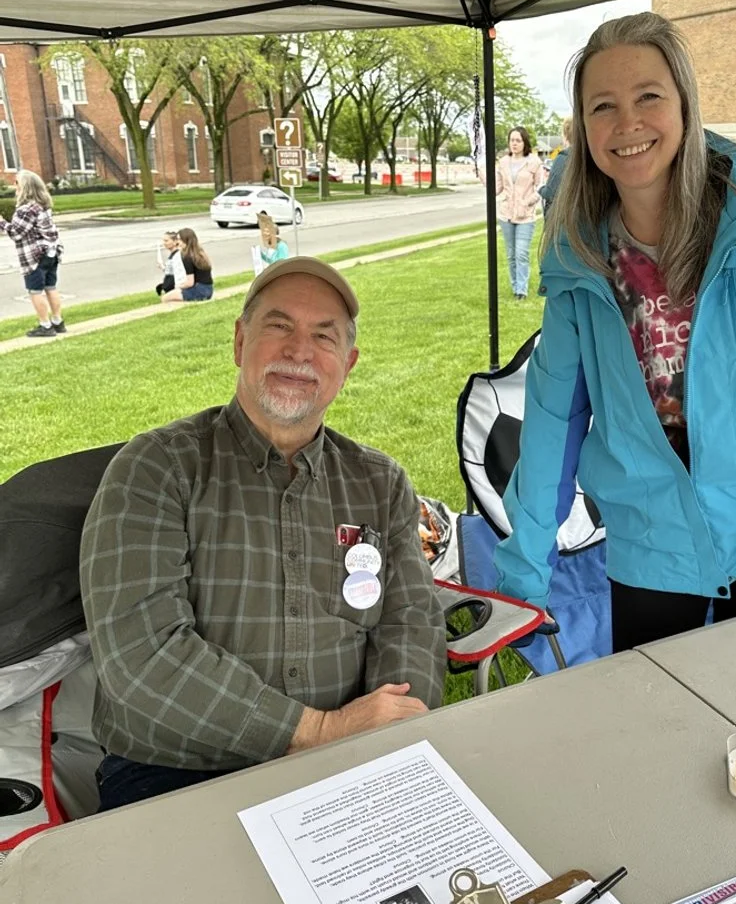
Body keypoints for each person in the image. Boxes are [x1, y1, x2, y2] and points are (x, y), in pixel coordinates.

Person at [493, 12, 736, 652]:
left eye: (648, 96)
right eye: (603, 106)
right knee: (655, 736)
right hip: (647, 549)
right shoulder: (579, 253)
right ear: (583, 129)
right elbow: (553, 414)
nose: (627, 123)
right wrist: (524, 574)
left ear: (686, 105)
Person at [81, 256, 447, 811]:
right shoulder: (158, 467)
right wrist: (321, 728)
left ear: (346, 365)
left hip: (351, 757)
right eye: (279, 327)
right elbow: (141, 655)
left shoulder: (379, 481)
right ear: (238, 342)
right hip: (178, 772)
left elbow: (410, 623)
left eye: (323, 336)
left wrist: (393, 725)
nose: (299, 351)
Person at [0, 169, 66, 337]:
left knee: (35, 290)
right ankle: (58, 322)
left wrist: (2, 223)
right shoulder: (43, 207)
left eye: (17, 183)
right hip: (52, 253)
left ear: (25, 187)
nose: (15, 186)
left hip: (35, 256)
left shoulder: (26, 210)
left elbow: (16, 233)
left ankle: (45, 325)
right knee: (51, 287)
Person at [485, 127, 546, 300]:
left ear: (524, 142)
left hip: (525, 216)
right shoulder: (503, 162)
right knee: (511, 254)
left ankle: (522, 290)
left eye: (518, 140)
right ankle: (515, 287)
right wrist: (482, 173)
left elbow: (540, 187)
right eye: (512, 140)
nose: (514, 144)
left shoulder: (534, 162)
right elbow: (496, 188)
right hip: (506, 214)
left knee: (521, 252)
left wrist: (527, 202)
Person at [160, 227, 214, 302]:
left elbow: (190, 283)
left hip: (199, 290)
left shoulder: (187, 257)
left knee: (165, 298)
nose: (177, 242)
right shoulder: (200, 253)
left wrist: (177, 287)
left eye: (179, 239)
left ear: (185, 240)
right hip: (209, 289)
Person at [539, 116, 573, 219]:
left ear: (566, 135)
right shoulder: (594, 157)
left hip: (564, 220)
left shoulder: (563, 157)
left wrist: (540, 187)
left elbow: (550, 192)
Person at [155, 230, 182, 296]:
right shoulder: (172, 255)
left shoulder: (177, 255)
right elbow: (170, 271)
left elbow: (178, 273)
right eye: (163, 241)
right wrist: (163, 267)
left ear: (175, 241)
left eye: (166, 241)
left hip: (174, 287)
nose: (164, 243)